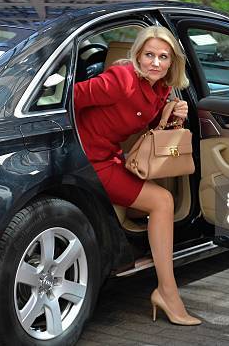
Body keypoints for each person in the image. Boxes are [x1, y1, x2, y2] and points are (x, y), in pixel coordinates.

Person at [74, 26, 201, 326]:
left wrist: (171, 116)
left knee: (162, 200)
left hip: (111, 157)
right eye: (149, 55)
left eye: (163, 57)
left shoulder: (161, 90)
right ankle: (167, 291)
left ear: (172, 62)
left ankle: (166, 290)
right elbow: (70, 98)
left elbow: (148, 129)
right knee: (162, 201)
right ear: (137, 56)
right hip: (87, 161)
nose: (155, 63)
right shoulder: (120, 79)